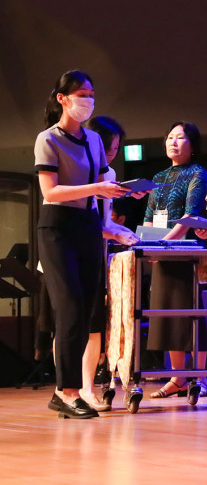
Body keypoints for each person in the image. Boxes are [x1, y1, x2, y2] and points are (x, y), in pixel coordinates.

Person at [35, 70, 129, 418]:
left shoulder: (92, 140)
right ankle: (67, 391)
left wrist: (124, 190)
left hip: (87, 225)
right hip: (58, 227)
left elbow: (103, 181)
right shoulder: (48, 139)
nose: (87, 101)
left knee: (88, 309)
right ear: (62, 99)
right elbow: (51, 191)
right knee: (70, 307)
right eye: (81, 95)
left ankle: (70, 392)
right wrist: (96, 189)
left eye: (91, 95)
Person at [144, 121, 207, 399]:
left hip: (186, 252)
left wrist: (164, 244)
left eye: (180, 138)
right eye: (170, 137)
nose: (173, 142)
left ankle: (201, 377)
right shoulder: (159, 176)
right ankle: (178, 377)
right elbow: (149, 216)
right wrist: (149, 245)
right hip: (161, 252)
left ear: (192, 145)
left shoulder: (198, 173)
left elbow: (190, 216)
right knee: (168, 314)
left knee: (191, 314)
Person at [80, 115, 140, 410]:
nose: (111, 154)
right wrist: (112, 231)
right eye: (108, 147)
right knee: (69, 324)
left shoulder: (111, 173)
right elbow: (83, 219)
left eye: (116, 148)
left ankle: (86, 387)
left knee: (93, 324)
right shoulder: (80, 168)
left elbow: (103, 222)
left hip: (95, 252)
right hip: (70, 250)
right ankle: (68, 388)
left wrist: (121, 231)